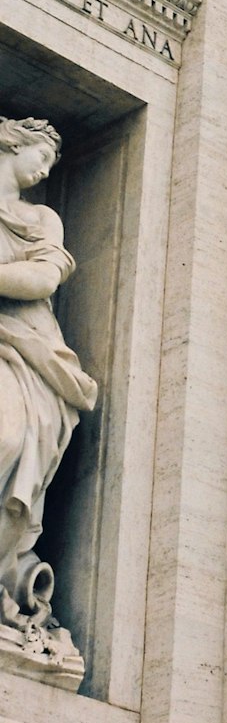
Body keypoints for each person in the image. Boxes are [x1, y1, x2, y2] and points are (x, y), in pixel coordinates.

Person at [0, 117, 97, 639]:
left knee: (9, 436)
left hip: (25, 346)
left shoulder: (40, 218)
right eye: (40, 154)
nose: (45, 167)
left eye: (52, 164)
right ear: (10, 145)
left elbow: (42, 277)